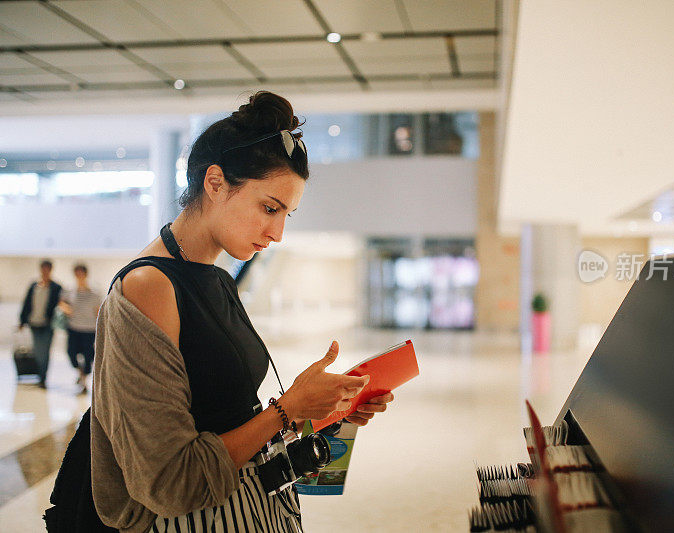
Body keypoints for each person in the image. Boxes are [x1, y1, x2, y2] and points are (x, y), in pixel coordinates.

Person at [91, 91, 394, 533]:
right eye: (270, 208)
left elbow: (227, 415)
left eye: (287, 214)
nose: (277, 232)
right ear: (215, 183)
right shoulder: (148, 289)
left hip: (253, 510)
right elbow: (169, 482)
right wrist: (286, 410)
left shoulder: (217, 279)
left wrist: (324, 409)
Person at [58, 263, 101, 394]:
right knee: (71, 352)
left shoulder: (94, 292)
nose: (79, 276)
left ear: (86, 274)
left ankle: (83, 381)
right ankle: (79, 372)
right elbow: (62, 303)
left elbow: (98, 310)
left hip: (89, 328)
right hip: (74, 327)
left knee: (88, 356)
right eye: (77, 273)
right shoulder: (70, 290)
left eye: (81, 273)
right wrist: (67, 310)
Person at [19, 259, 62, 388]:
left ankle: (43, 377)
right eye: (43, 268)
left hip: (48, 324)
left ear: (50, 270)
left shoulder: (56, 287)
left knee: (45, 351)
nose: (45, 271)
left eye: (47, 269)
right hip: (34, 322)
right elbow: (26, 303)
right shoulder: (33, 286)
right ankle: (39, 375)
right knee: (38, 351)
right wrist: (22, 320)